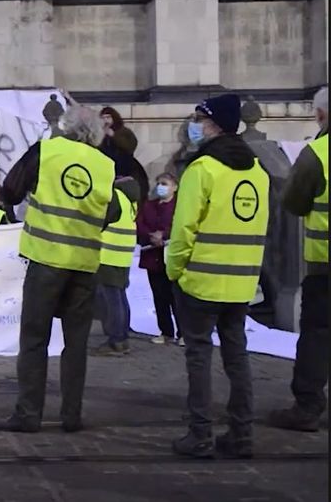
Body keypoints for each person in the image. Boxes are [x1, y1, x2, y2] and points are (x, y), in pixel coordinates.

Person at [0, 107, 120, 434]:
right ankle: (71, 415)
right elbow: (114, 211)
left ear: (65, 127)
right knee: (76, 343)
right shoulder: (105, 165)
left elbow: (10, 189)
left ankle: (28, 414)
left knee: (35, 339)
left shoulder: (46, 150)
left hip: (46, 260)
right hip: (84, 263)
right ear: (94, 134)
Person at [167, 94, 269, 459]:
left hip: (201, 280)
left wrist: (174, 270)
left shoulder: (202, 169)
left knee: (198, 356)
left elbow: (183, 230)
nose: (194, 124)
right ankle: (242, 434)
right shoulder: (257, 170)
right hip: (241, 282)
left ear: (213, 124)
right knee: (237, 356)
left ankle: (200, 434)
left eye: (198, 118)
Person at [268, 86, 328, 433]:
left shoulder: (317, 154)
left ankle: (307, 405)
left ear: (320, 116)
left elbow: (293, 203)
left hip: (324, 266)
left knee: (318, 334)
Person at [92, 177, 141, 357]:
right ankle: (122, 337)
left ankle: (116, 340)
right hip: (122, 254)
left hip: (108, 253)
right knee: (119, 296)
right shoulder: (131, 202)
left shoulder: (115, 196)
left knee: (112, 299)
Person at [137, 172, 181, 346]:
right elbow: (140, 224)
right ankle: (166, 332)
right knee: (159, 297)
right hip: (152, 257)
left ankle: (183, 332)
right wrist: (150, 236)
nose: (161, 187)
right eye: (159, 183)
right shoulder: (149, 205)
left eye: (165, 183)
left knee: (176, 298)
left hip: (171, 257)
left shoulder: (179, 206)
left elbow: (181, 225)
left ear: (174, 187)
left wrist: (164, 235)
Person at [100, 106, 139, 178]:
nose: (105, 121)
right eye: (103, 118)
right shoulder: (100, 132)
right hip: (106, 166)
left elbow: (130, 146)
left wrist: (114, 136)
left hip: (122, 167)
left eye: (108, 117)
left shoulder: (124, 131)